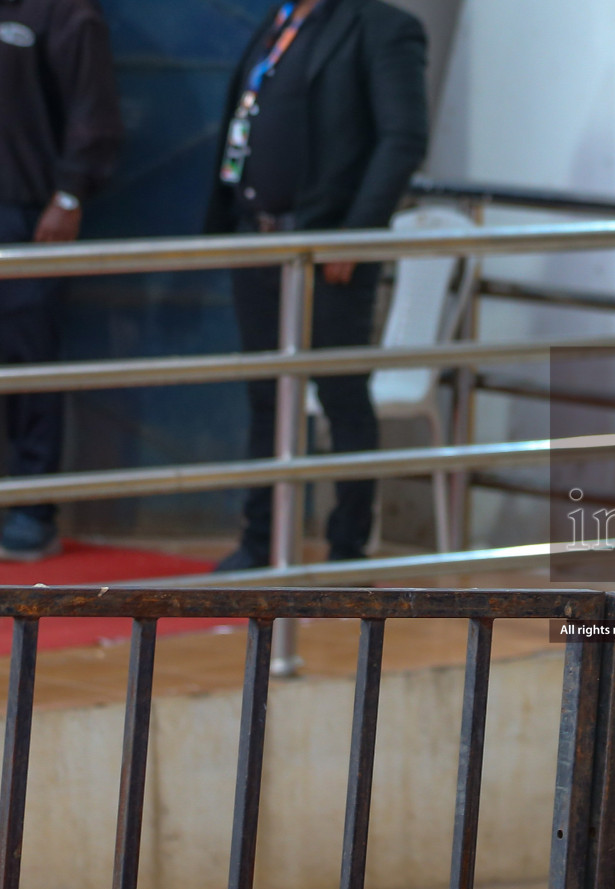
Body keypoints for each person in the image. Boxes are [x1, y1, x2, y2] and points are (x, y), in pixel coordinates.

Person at [204, 0, 428, 570]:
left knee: (341, 397)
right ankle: (261, 542)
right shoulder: (278, 23)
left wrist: (356, 235)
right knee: (266, 396)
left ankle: (347, 553)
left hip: (329, 251)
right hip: (257, 239)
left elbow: (403, 138)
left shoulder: (382, 27)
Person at [0, 0, 121, 561]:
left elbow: (93, 107)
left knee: (28, 359)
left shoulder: (59, 11)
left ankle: (32, 512)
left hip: (22, 212)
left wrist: (70, 194)